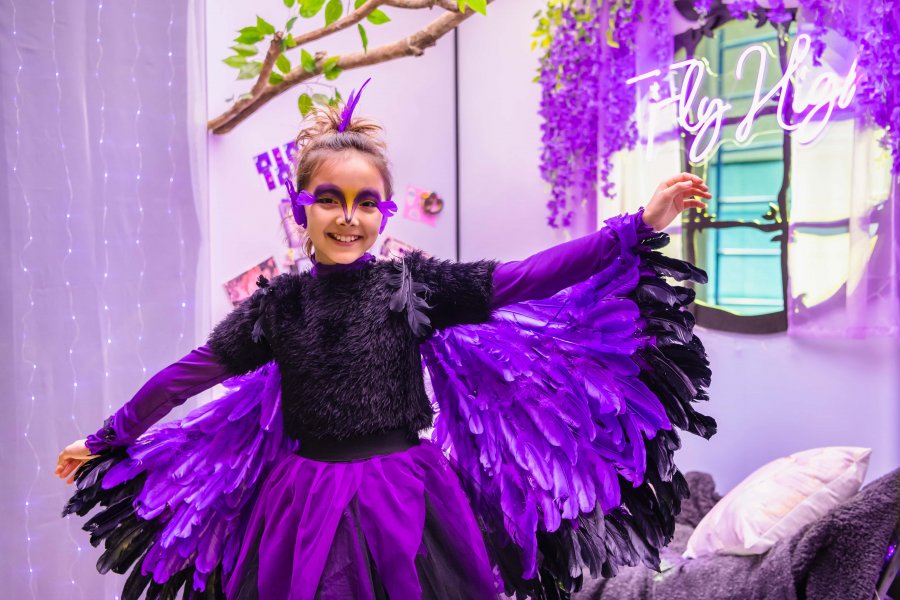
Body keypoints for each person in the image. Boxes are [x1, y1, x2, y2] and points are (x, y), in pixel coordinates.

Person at [57, 80, 713, 600]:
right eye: (330, 199)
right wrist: (109, 437)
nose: (349, 217)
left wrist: (635, 226)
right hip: (304, 503)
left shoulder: (412, 286)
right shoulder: (277, 306)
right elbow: (187, 376)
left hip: (406, 497)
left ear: (384, 211)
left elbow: (525, 278)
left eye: (367, 202)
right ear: (300, 208)